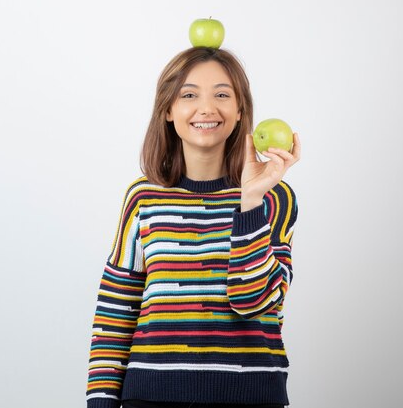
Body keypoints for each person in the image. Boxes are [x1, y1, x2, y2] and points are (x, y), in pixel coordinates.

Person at [86, 46, 301, 408]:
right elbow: (116, 310)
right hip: (151, 397)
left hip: (251, 396)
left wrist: (250, 201)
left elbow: (254, 301)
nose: (206, 108)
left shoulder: (274, 197)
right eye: (189, 95)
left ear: (240, 111)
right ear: (168, 110)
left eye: (222, 94)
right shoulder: (143, 198)